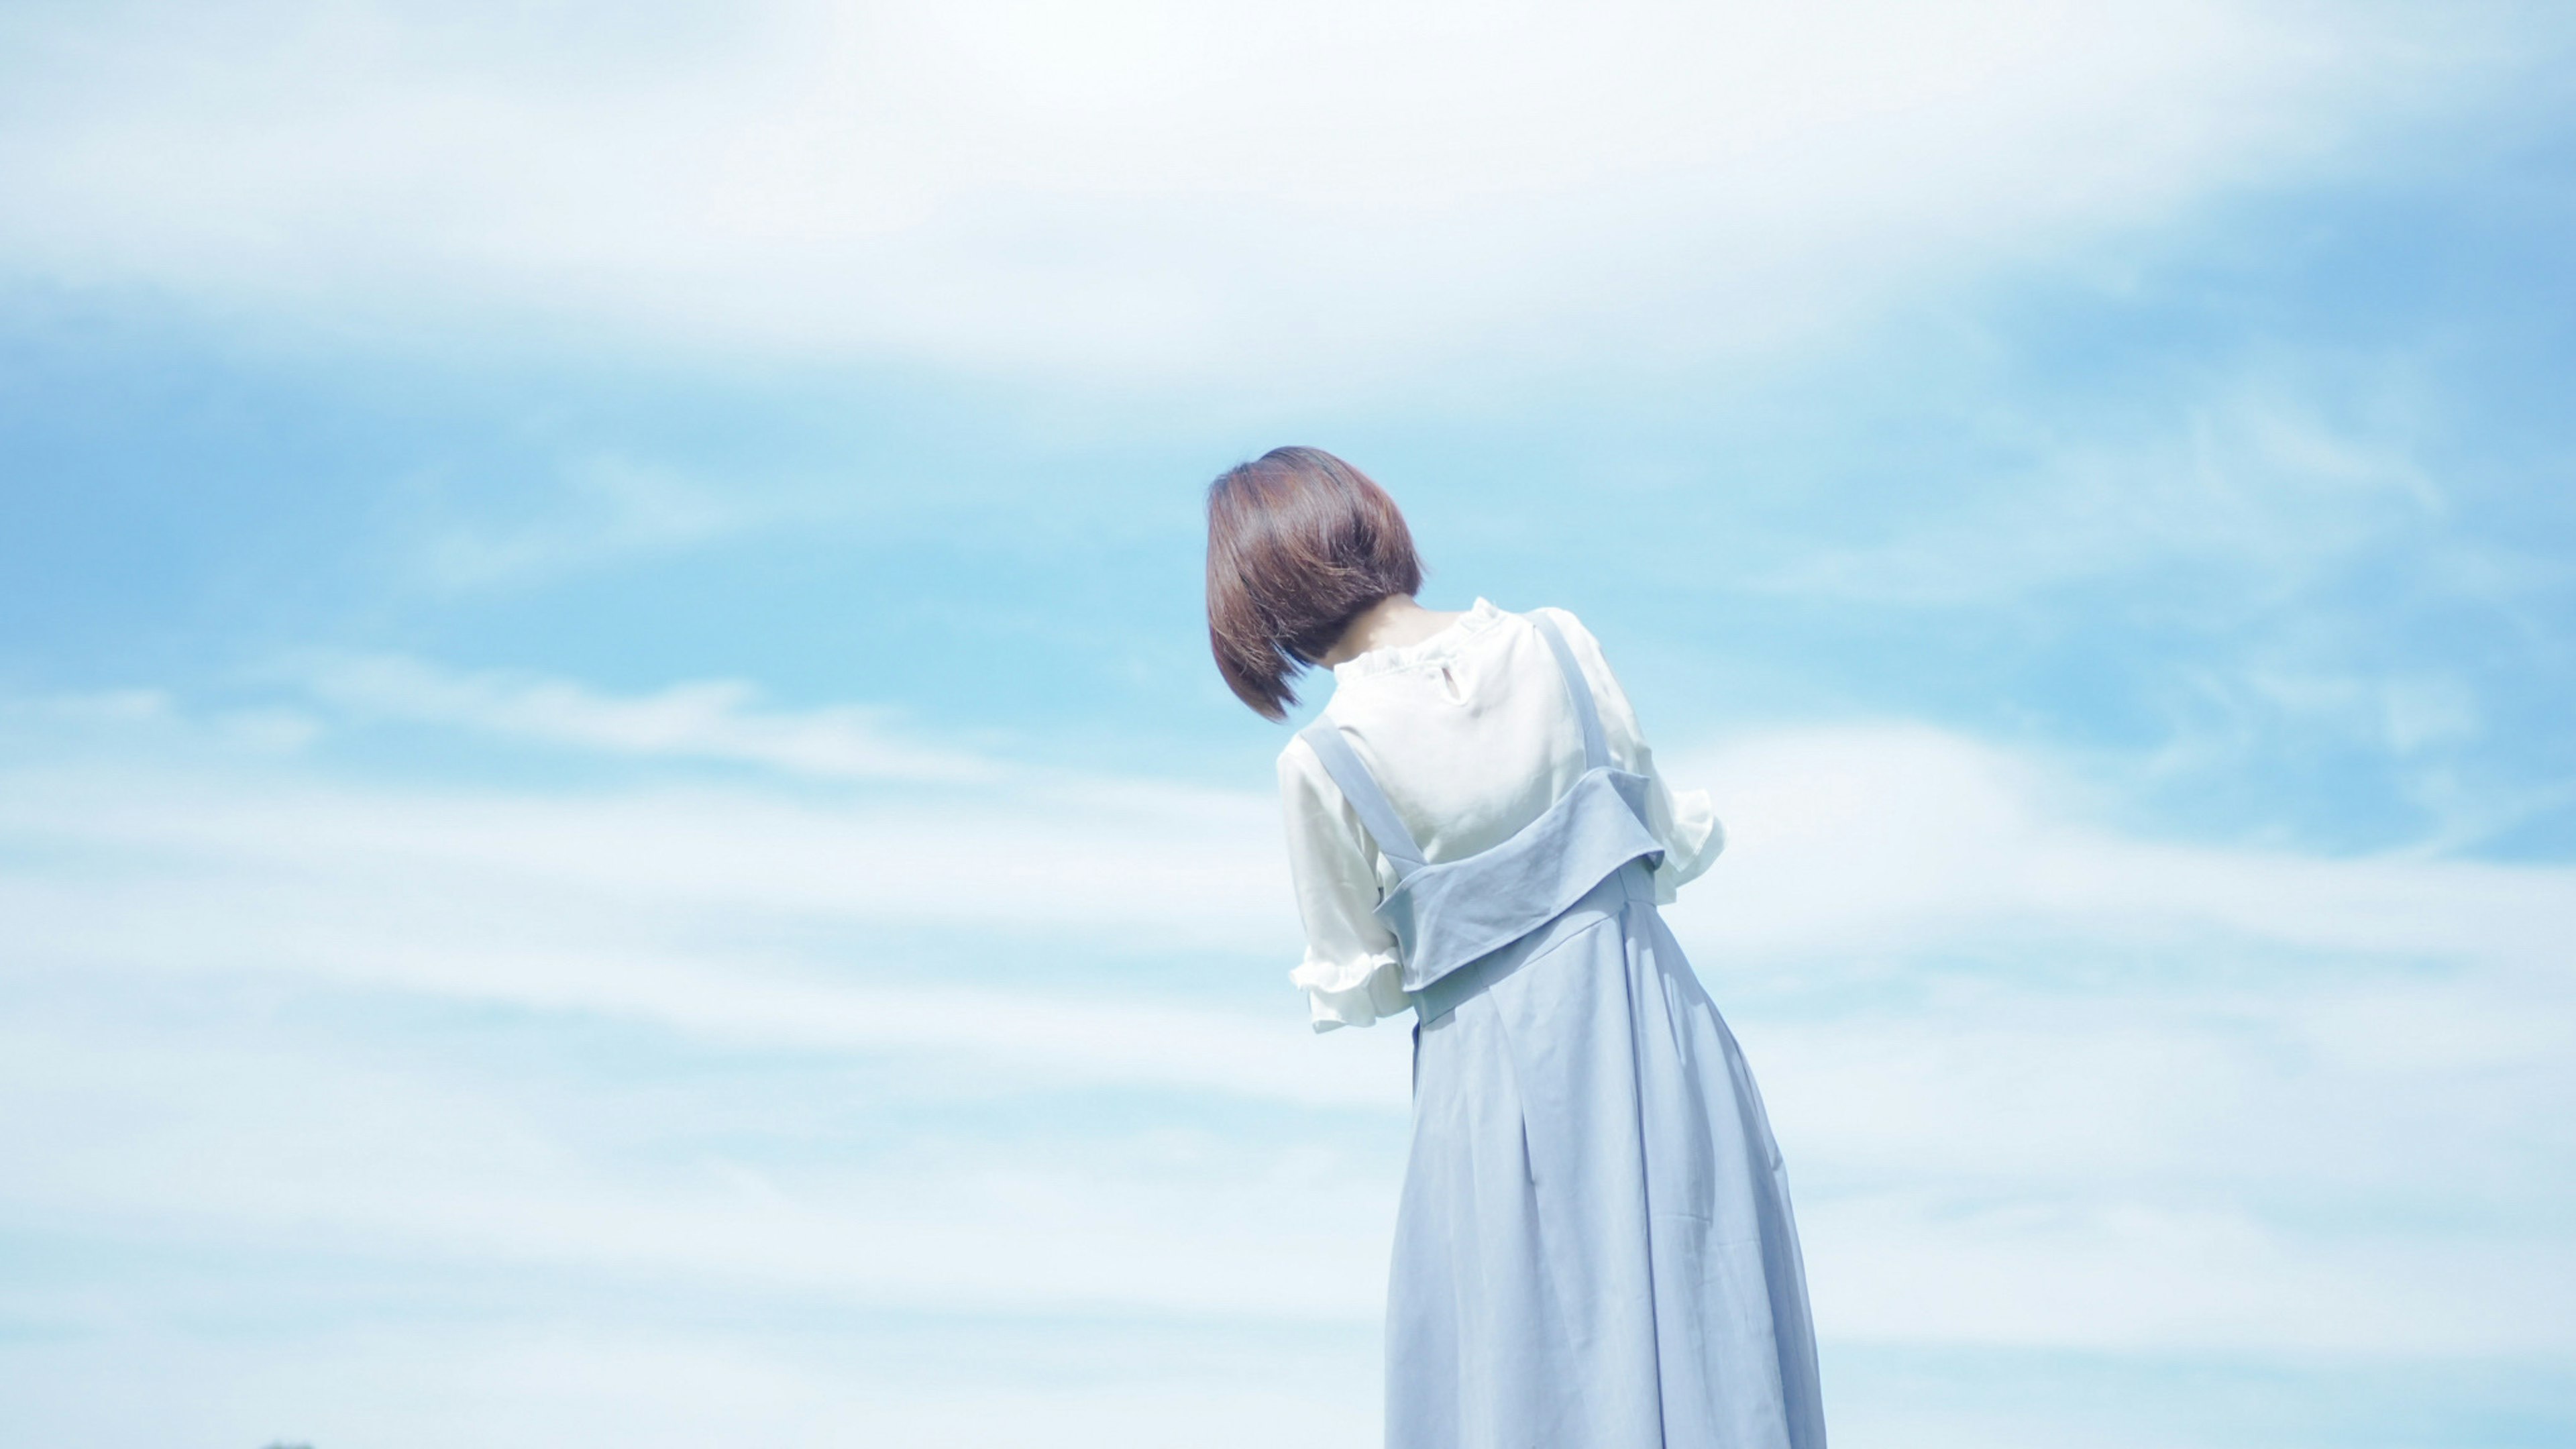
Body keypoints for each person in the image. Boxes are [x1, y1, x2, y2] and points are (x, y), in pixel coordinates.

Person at [1205, 446, 1827, 1448]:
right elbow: (1662, 837)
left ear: (1262, 600)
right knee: (1721, 1353)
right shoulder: (1560, 645)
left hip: (1495, 1114)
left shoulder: (1324, 762)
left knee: (1523, 1387)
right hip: (1662, 1056)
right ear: (1372, 524)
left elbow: (1360, 982)